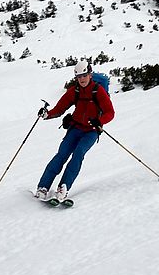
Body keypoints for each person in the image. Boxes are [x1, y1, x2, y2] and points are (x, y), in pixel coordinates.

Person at [35, 59, 115, 201]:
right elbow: (59, 108)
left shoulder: (98, 91)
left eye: (84, 75)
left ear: (90, 74)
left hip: (91, 131)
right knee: (61, 155)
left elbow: (110, 112)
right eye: (79, 77)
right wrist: (47, 114)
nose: (82, 79)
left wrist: (99, 121)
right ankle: (43, 187)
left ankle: (63, 187)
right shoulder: (75, 91)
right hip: (75, 128)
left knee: (78, 153)